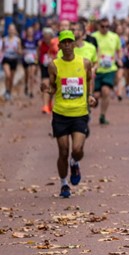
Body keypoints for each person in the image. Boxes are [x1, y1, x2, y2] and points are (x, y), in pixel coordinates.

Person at [41, 30, 97, 199]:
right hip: (61, 113)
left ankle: (75, 162)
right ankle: (64, 184)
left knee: (78, 149)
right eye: (63, 42)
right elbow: (53, 88)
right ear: (59, 46)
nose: (66, 45)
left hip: (80, 112)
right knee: (63, 151)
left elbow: (88, 80)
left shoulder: (85, 63)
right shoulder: (54, 65)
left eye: (69, 42)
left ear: (74, 44)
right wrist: (46, 89)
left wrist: (90, 96)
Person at [91, 17, 122, 125]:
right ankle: (90, 110)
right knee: (96, 95)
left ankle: (102, 115)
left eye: (107, 27)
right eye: (102, 26)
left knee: (106, 91)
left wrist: (119, 59)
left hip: (110, 69)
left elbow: (119, 50)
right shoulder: (93, 37)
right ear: (98, 26)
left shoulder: (114, 37)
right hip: (96, 69)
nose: (105, 29)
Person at [37, 28, 58, 114]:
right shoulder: (40, 43)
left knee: (53, 86)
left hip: (54, 67)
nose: (46, 39)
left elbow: (58, 54)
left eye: (48, 37)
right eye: (45, 37)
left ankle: (49, 102)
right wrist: (38, 62)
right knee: (45, 83)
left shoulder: (55, 43)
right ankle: (45, 105)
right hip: (44, 66)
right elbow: (39, 53)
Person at [2, 24, 22, 101]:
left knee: (11, 78)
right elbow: (2, 49)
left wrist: (17, 50)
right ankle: (6, 91)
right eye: (10, 29)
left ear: (15, 31)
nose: (11, 31)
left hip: (14, 60)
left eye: (12, 29)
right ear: (8, 30)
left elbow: (20, 51)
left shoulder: (17, 40)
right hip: (6, 59)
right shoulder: (4, 39)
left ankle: (9, 92)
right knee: (8, 75)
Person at [21, 26, 39, 98]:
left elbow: (38, 50)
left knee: (32, 75)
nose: (30, 33)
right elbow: (21, 49)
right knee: (27, 75)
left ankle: (31, 91)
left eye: (31, 31)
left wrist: (37, 56)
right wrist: (23, 52)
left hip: (33, 60)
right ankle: (26, 85)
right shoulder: (24, 40)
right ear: (27, 32)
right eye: (29, 31)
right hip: (25, 60)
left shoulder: (35, 40)